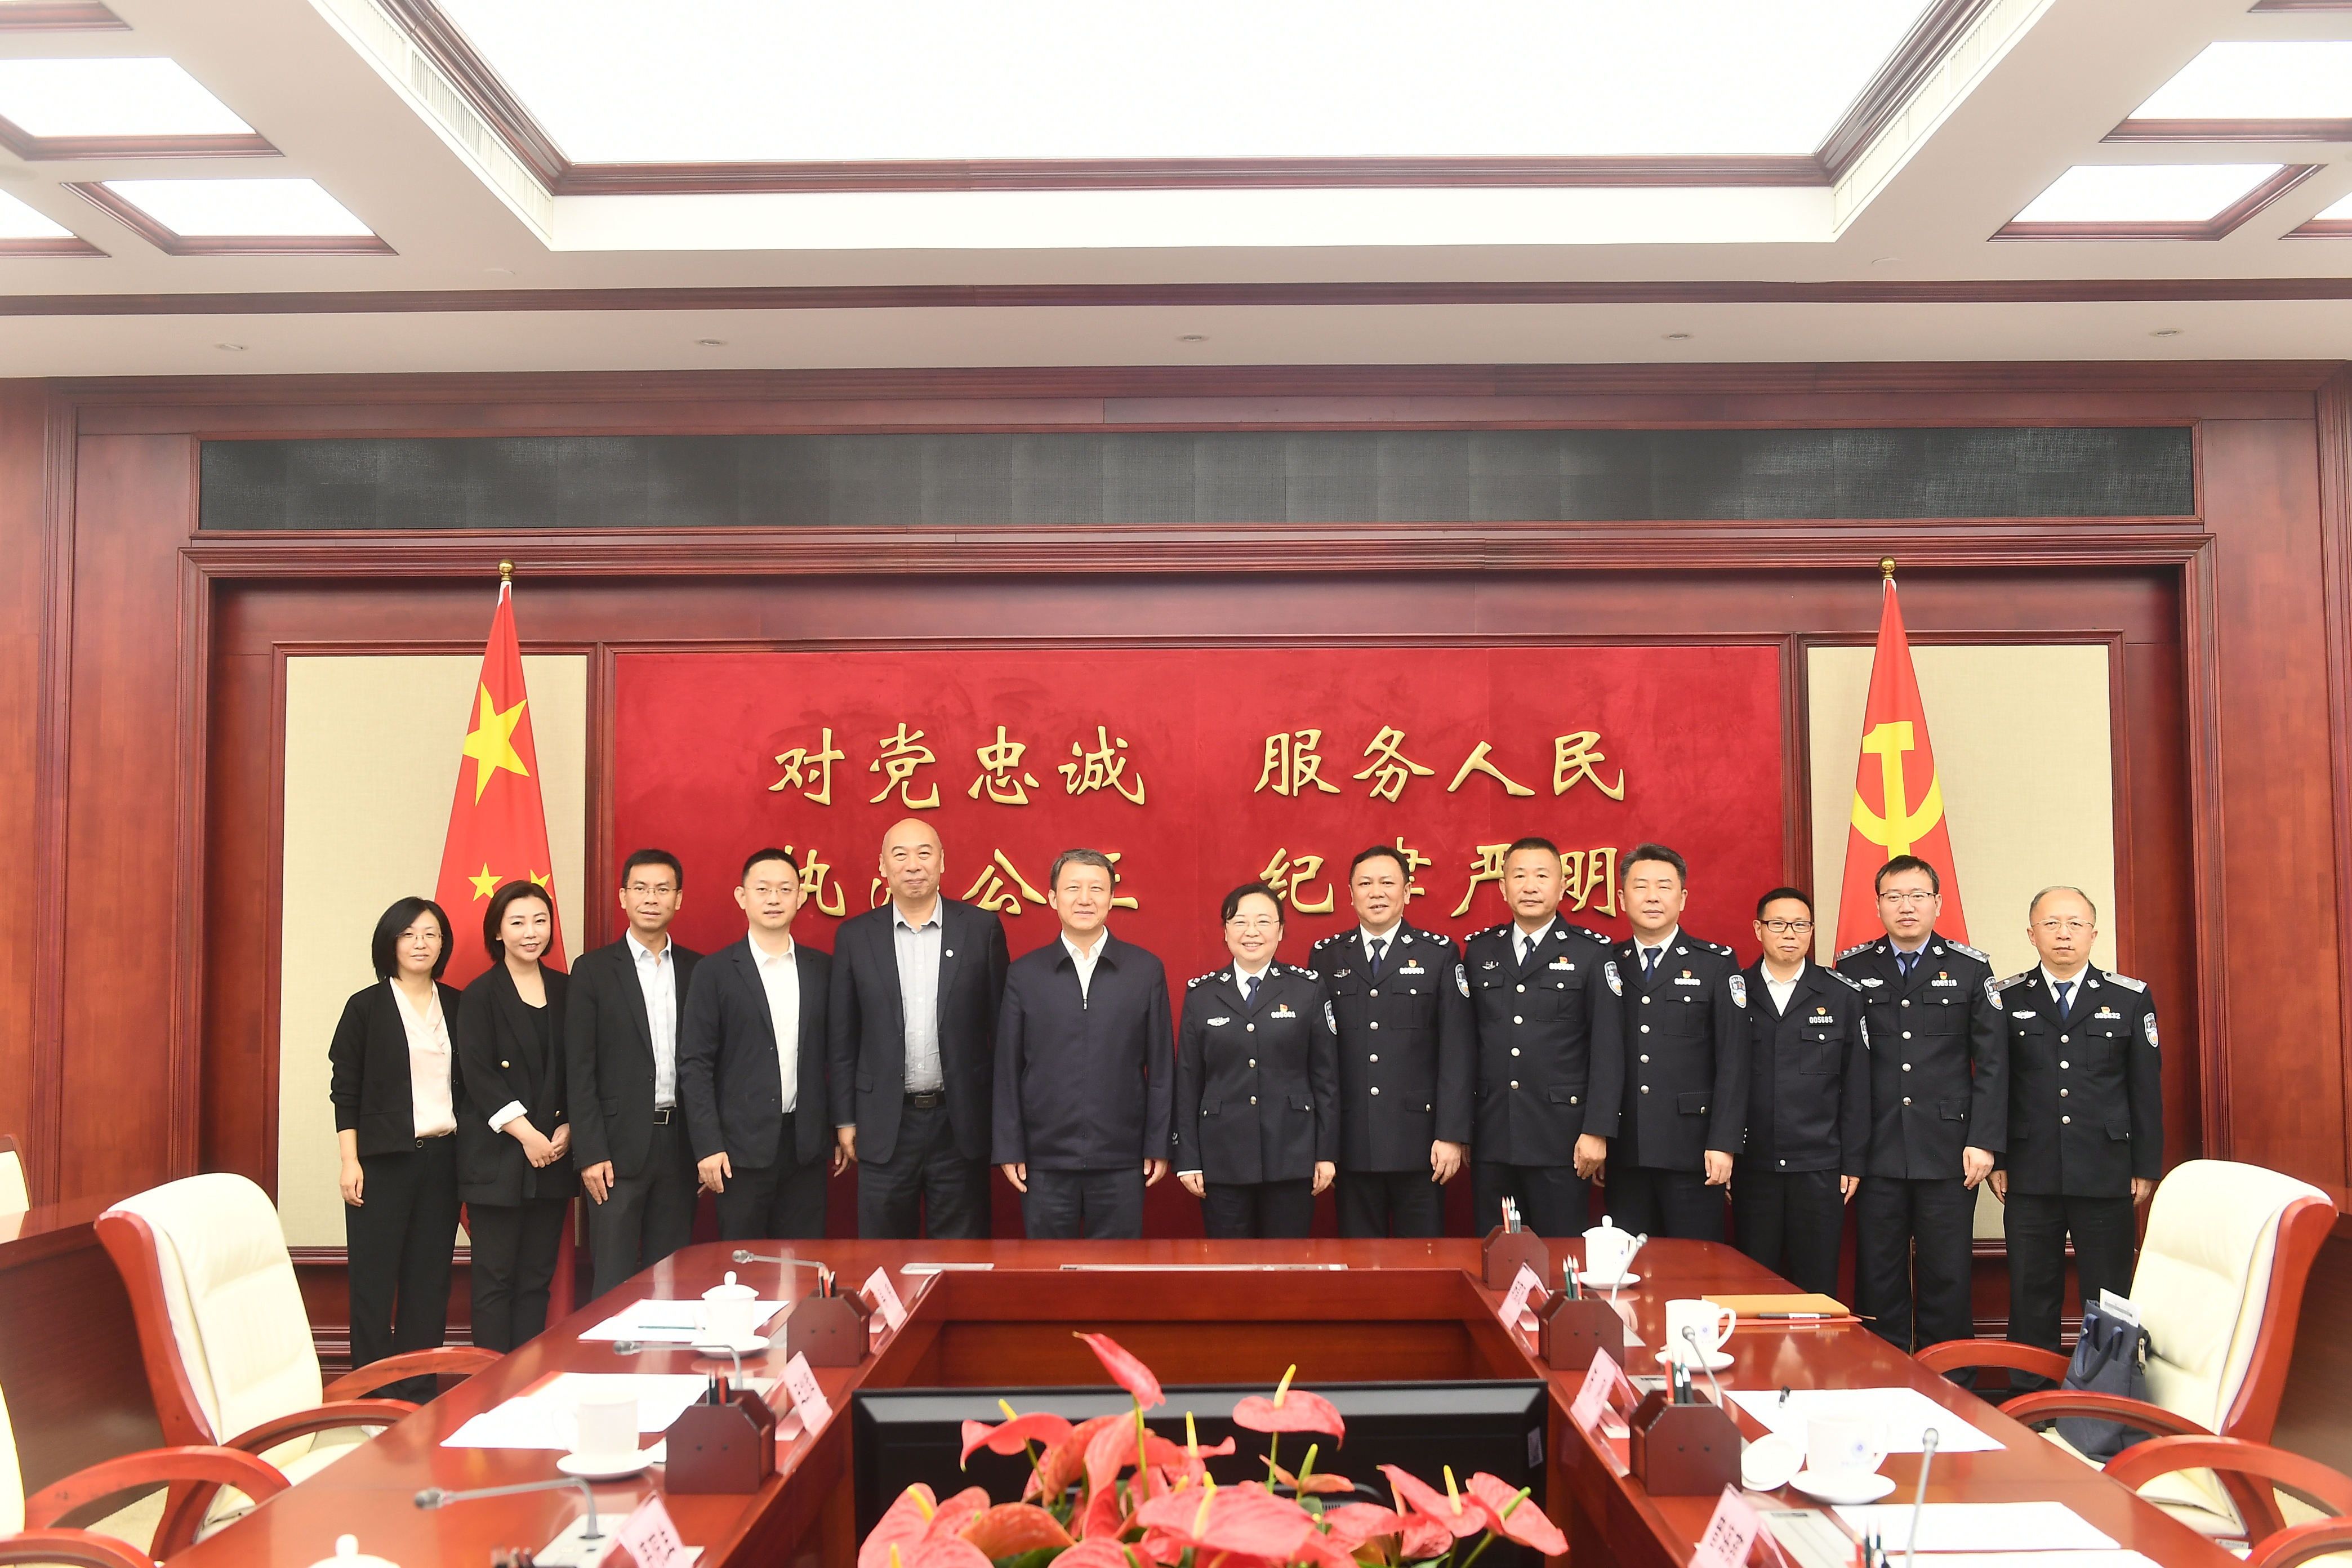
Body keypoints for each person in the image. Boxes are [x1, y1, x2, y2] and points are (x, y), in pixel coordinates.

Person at [1836, 853, 2005, 1361]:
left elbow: (1993, 1063)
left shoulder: (1970, 968)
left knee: (1947, 1276)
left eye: (1917, 896)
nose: (1906, 906)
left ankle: (1952, 1382)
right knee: (1878, 1275)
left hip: (1949, 1149)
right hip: (1878, 1148)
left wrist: (1985, 1141)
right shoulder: (1852, 968)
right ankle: (1881, 1376)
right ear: (1878, 905)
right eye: (1894, 897)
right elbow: (1842, 1064)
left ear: (1937, 903)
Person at [1990, 887, 2160, 1372]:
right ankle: (2029, 1397)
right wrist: (1998, 1157)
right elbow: (1995, 1084)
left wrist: (2146, 1166)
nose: (2063, 934)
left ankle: (2106, 1399)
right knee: (2030, 1290)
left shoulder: (2129, 998)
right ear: (2032, 934)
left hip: (2105, 1169)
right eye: (2051, 924)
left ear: (2093, 933)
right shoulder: (2006, 998)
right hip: (2030, 1170)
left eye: (2074, 924)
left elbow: (2145, 1088)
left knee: (2108, 1295)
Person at [828, 819, 1010, 1239]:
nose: (913, 865)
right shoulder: (855, 936)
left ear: (942, 862)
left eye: (924, 853)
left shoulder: (981, 929)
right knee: (884, 1256)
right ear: (882, 866)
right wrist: (845, 1119)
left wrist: (1004, 1123)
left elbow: (1002, 1033)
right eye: (900, 855)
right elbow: (842, 1039)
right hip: (883, 1124)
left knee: (962, 1257)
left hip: (960, 1122)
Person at [993, 848, 1173, 1239]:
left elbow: (1162, 1068)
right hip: (1044, 1161)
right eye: (1073, 888)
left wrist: (1158, 1144)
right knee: (1048, 1270)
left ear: (1112, 898)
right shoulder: (1025, 974)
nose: (1085, 899)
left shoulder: (1145, 971)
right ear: (1053, 897)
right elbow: (1007, 1069)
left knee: (1116, 1271)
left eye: (1097, 888)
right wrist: (1009, 1147)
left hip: (1122, 1158)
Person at [328, 896, 465, 1399]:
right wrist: (350, 1160)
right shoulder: (365, 1007)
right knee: (374, 1282)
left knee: (429, 1283)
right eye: (409, 934)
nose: (420, 943)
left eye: (430, 934)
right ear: (390, 943)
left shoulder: (459, 1005)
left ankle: (418, 1393)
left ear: (443, 944)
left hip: (445, 1160)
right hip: (382, 1163)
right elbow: (346, 1091)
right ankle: (371, 1397)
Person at [1309, 844, 1473, 1238]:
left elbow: (1457, 1050)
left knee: (1424, 1260)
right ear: (1351, 894)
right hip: (1352, 1140)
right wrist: (1324, 1145)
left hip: (1421, 1143)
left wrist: (1451, 1134)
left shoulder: (1439, 954)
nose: (1376, 893)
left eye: (1387, 883)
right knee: (1360, 1262)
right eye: (1365, 884)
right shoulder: (1327, 957)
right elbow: (1318, 1058)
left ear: (1407, 891)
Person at [1463, 838, 1622, 1238]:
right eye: (1519, 876)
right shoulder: (1480, 951)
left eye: (1541, 876)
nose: (1530, 886)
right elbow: (1465, 1045)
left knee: (1558, 1254)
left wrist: (1597, 1130)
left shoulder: (1591, 953)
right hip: (1493, 1135)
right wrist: (1460, 1129)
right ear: (1503, 888)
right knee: (1498, 1255)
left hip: (1562, 1139)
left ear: (1562, 886)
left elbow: (1607, 1049)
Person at [678, 848, 840, 1241]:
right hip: (738, 1152)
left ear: (800, 897)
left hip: (805, 1148)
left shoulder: (823, 969)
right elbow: (695, 1064)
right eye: (763, 889)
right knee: (744, 1264)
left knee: (803, 1263)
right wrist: (708, 1146)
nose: (774, 899)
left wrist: (837, 1128)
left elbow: (839, 1055)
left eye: (785, 889)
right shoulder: (714, 972)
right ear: (742, 897)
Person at [566, 849, 703, 1302]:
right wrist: (590, 1153)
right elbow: (579, 1069)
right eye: (641, 888)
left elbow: (709, 1065)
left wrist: (707, 1145)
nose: (651, 898)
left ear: (678, 899)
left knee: (672, 1278)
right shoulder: (592, 970)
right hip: (615, 1151)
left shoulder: (699, 969)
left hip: (680, 1146)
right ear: (623, 896)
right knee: (614, 1281)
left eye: (663, 889)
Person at [1597, 843, 1747, 1241]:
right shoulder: (1607, 963)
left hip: (1693, 1151)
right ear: (1622, 899)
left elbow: (1734, 1060)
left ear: (1682, 898)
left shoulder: (1715, 964)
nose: (1652, 897)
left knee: (1695, 1264)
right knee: (1629, 1265)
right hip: (1626, 1151)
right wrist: (1600, 1133)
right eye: (1640, 886)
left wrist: (1724, 1143)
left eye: (1664, 887)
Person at [1173, 883, 1339, 1237]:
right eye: (1240, 922)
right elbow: (1187, 1082)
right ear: (1225, 932)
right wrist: (1187, 1159)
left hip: (1292, 1153)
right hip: (1221, 1157)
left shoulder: (1307, 989)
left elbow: (1326, 1078)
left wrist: (1326, 1153)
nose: (1252, 932)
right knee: (1230, 1265)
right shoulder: (1202, 994)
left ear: (1280, 931)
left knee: (1288, 1263)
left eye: (1264, 922)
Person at [453, 881, 572, 1353]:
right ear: (498, 931)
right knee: (494, 1282)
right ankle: (491, 1384)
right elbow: (478, 1075)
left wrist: (569, 1127)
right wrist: (528, 1136)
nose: (531, 932)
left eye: (540, 921)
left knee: (536, 1281)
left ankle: (527, 1381)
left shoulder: (567, 989)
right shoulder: (479, 995)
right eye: (518, 922)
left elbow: (582, 1066)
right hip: (498, 1159)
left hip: (555, 1156)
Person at [1732, 887, 1869, 1297]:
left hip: (1819, 1167)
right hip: (1753, 1165)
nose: (1789, 933)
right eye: (1778, 924)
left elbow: (1857, 1084)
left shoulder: (1842, 995)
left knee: (1817, 1287)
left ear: (1811, 931)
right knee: (1755, 1285)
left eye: (1800, 925)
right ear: (1758, 929)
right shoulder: (1734, 992)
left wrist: (1853, 1161)